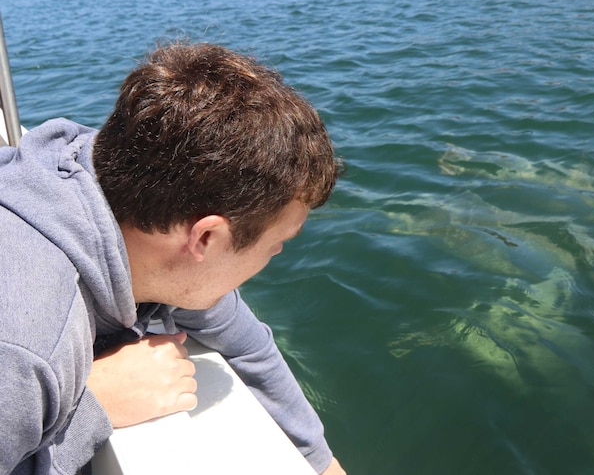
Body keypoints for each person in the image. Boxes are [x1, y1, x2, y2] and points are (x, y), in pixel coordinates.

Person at [0, 42, 346, 475]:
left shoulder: (118, 188)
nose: (275, 256)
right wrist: (93, 408)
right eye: (277, 245)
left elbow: (246, 342)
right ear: (204, 238)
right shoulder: (24, 351)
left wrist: (321, 462)